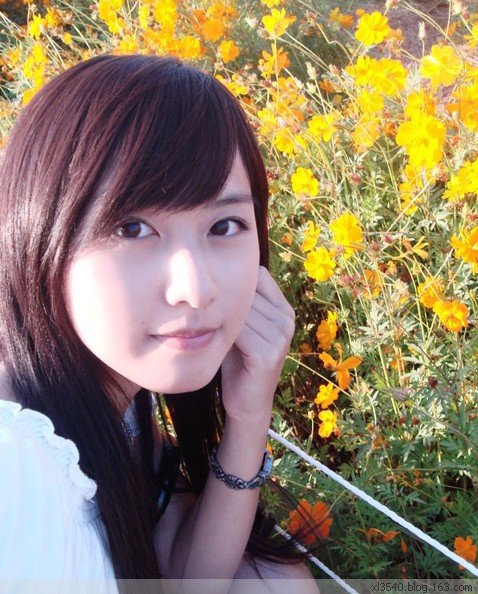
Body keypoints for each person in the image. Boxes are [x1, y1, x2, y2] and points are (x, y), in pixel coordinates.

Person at [0, 54, 324, 593]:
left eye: (224, 225)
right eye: (131, 229)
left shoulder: (115, 399)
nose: (196, 289)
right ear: (38, 234)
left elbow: (188, 579)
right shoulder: (17, 472)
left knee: (272, 579)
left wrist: (248, 415)